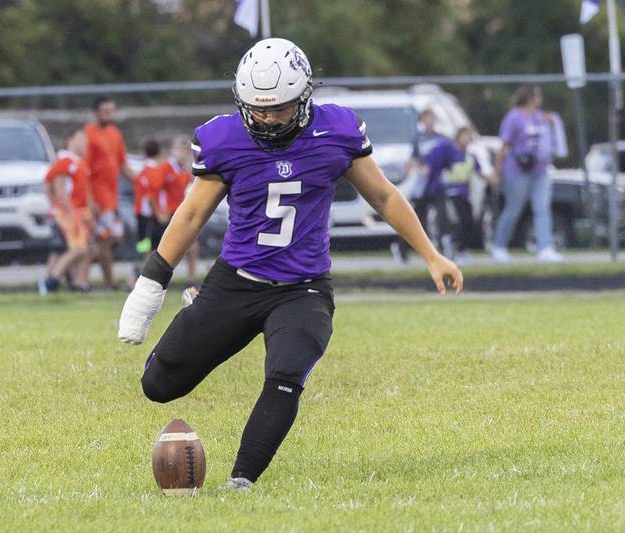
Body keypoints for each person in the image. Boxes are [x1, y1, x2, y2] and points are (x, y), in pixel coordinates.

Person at [117, 38, 463, 491]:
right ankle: (198, 307)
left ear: (304, 97)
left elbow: (382, 195)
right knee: (158, 386)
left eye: (278, 108)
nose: (266, 117)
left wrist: (431, 255)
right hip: (235, 283)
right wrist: (149, 287)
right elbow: (191, 214)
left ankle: (241, 482)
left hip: (304, 288)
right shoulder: (224, 138)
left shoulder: (337, 131)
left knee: (285, 374)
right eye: (257, 108)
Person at [491, 85, 563, 263]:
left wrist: (552, 124)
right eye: (537, 95)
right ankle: (499, 246)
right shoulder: (514, 117)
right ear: (531, 97)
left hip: (540, 169)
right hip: (516, 170)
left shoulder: (540, 117)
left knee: (542, 208)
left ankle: (545, 247)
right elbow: (504, 145)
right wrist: (497, 171)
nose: (540, 99)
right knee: (513, 209)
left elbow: (550, 139)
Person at [85, 96, 134, 289]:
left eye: (111, 111)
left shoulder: (114, 133)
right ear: (95, 113)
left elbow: (123, 164)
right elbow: (85, 171)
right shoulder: (88, 134)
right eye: (105, 112)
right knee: (107, 239)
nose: (109, 115)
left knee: (113, 238)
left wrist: (143, 182)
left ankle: (79, 272)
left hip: (112, 198)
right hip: (98, 198)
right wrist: (90, 200)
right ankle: (109, 282)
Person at [39, 127, 93, 294]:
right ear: (70, 140)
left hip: (78, 211)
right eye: (81, 139)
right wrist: (67, 210)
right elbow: (55, 187)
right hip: (70, 213)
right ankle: (52, 280)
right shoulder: (65, 162)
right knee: (77, 249)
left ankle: (78, 281)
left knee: (72, 249)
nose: (84, 143)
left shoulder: (78, 162)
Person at [425, 126, 490, 260]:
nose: (467, 139)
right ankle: (452, 245)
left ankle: (461, 248)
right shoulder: (449, 152)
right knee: (455, 220)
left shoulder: (470, 156)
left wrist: (492, 179)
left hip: (464, 193)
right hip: (450, 192)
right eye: (464, 136)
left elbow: (479, 171)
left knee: (468, 221)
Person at [392, 108, 447, 262]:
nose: (430, 121)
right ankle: (402, 248)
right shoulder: (418, 140)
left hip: (436, 185)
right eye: (427, 118)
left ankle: (441, 250)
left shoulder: (441, 138)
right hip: (422, 187)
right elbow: (411, 161)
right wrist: (419, 168)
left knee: (442, 217)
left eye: (432, 118)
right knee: (417, 220)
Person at [164, 135, 199, 288]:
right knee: (163, 247)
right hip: (168, 213)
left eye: (185, 151)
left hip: (181, 212)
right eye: (180, 150)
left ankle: (191, 278)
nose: (182, 154)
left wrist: (187, 165)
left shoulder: (183, 170)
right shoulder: (165, 168)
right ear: (173, 150)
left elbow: (194, 182)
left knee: (192, 246)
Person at [132, 139, 168, 260]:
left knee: (143, 244)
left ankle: (139, 267)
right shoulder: (155, 171)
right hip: (148, 214)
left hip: (140, 212)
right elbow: (151, 196)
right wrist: (159, 214)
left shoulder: (143, 170)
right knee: (151, 245)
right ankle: (143, 271)